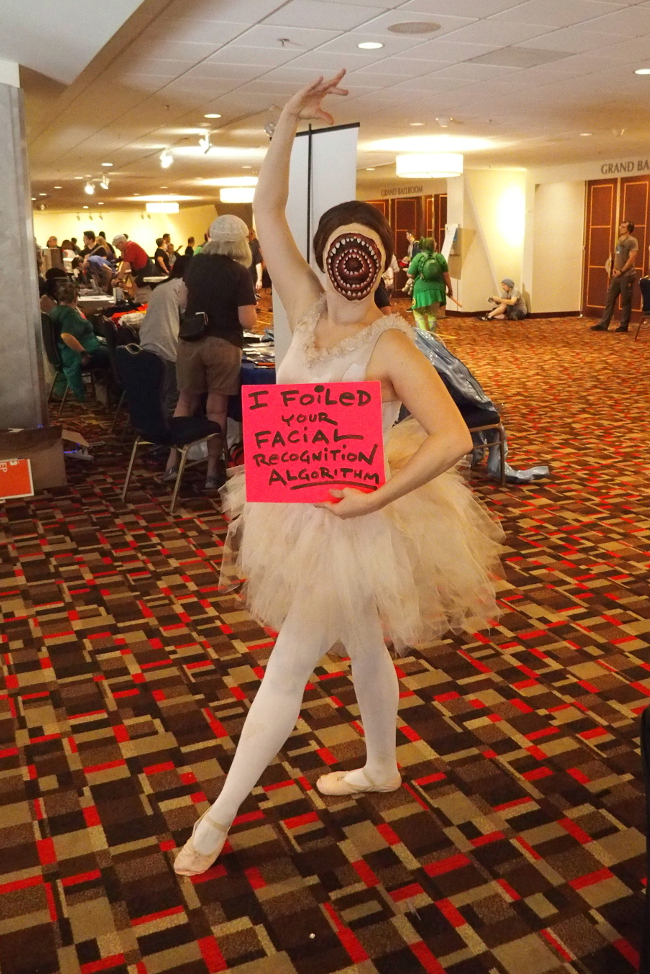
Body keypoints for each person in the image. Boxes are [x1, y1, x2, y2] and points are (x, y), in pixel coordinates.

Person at [173, 71, 503, 877]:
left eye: (364, 254)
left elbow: (452, 438)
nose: (349, 266)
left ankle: (218, 817)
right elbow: (266, 212)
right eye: (337, 252)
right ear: (322, 262)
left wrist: (374, 499)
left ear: (382, 264)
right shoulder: (305, 304)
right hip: (299, 505)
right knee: (362, 644)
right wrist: (288, 118)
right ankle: (381, 766)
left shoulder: (392, 343)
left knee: (289, 663)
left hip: (359, 514)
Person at [163, 215, 256, 491]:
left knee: (185, 402)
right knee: (216, 409)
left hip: (190, 342)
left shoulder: (195, 263)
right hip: (223, 344)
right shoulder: (239, 272)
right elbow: (247, 321)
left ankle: (172, 464)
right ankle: (213, 471)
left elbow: (182, 300)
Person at [139, 256, 187, 413]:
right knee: (174, 395)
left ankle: (155, 422)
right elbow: (189, 318)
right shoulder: (183, 286)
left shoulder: (162, 286)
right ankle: (168, 426)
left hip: (147, 344)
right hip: (167, 347)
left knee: (157, 394)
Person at [49, 281, 109, 400]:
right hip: (76, 356)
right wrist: (83, 353)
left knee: (108, 351)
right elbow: (66, 336)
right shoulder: (69, 314)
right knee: (114, 354)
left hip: (64, 354)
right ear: (75, 297)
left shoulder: (56, 311)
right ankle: (112, 394)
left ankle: (104, 393)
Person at [590, 220, 639, 333]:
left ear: (629, 229)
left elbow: (632, 258)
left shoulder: (632, 241)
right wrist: (614, 269)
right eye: (620, 226)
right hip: (617, 275)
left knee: (626, 301)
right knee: (610, 299)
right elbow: (618, 256)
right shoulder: (619, 240)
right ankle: (604, 324)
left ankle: (624, 325)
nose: (620, 228)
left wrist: (622, 271)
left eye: (623, 227)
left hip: (627, 275)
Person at [407, 238, 452, 332]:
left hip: (421, 290)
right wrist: (450, 289)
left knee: (418, 312)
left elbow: (410, 274)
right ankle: (432, 336)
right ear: (433, 246)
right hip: (437, 290)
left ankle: (424, 336)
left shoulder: (418, 257)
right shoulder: (440, 257)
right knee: (432, 314)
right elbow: (446, 275)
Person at [112, 234, 154, 302]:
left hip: (146, 274)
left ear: (121, 243)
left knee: (143, 296)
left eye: (117, 246)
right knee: (139, 295)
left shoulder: (131, 246)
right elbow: (127, 265)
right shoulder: (128, 248)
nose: (117, 248)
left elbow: (126, 264)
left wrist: (119, 278)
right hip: (141, 273)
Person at [400, 232, 420, 296]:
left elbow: (417, 256)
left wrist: (409, 258)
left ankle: (408, 286)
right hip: (411, 263)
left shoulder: (416, 244)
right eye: (407, 235)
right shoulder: (409, 246)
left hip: (415, 263)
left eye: (409, 234)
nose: (408, 236)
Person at [248, 228, 263, 293]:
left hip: (251, 279)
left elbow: (258, 263)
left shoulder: (254, 245)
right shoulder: (235, 248)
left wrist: (259, 280)